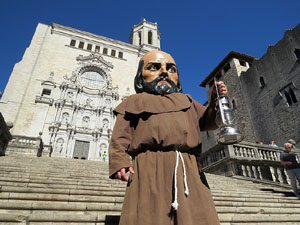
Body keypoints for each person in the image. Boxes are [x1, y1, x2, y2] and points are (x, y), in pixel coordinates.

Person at [109, 50, 228, 225]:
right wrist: (119, 161)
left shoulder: (187, 100)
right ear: (140, 75)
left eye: (171, 69)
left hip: (189, 169)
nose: (164, 72)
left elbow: (209, 122)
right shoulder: (134, 101)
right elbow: (120, 135)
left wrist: (215, 101)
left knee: (196, 217)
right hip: (148, 167)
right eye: (154, 67)